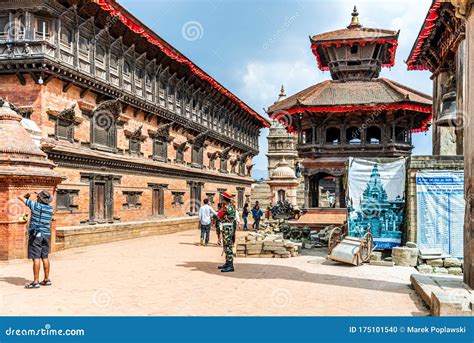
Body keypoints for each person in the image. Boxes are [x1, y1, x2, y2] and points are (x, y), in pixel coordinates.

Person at [18, 191, 54, 289]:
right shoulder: (50, 209)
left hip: (36, 235)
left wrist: (26, 196)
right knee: (45, 257)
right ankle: (46, 279)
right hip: (46, 234)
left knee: (36, 257)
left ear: (39, 198)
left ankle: (35, 281)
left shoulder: (35, 206)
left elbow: (19, 197)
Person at [217, 192, 237, 273]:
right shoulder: (230, 206)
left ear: (225, 199)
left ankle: (230, 265)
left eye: (222, 198)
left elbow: (219, 215)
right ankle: (227, 263)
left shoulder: (226, 207)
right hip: (228, 227)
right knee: (226, 245)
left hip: (227, 228)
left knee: (228, 246)